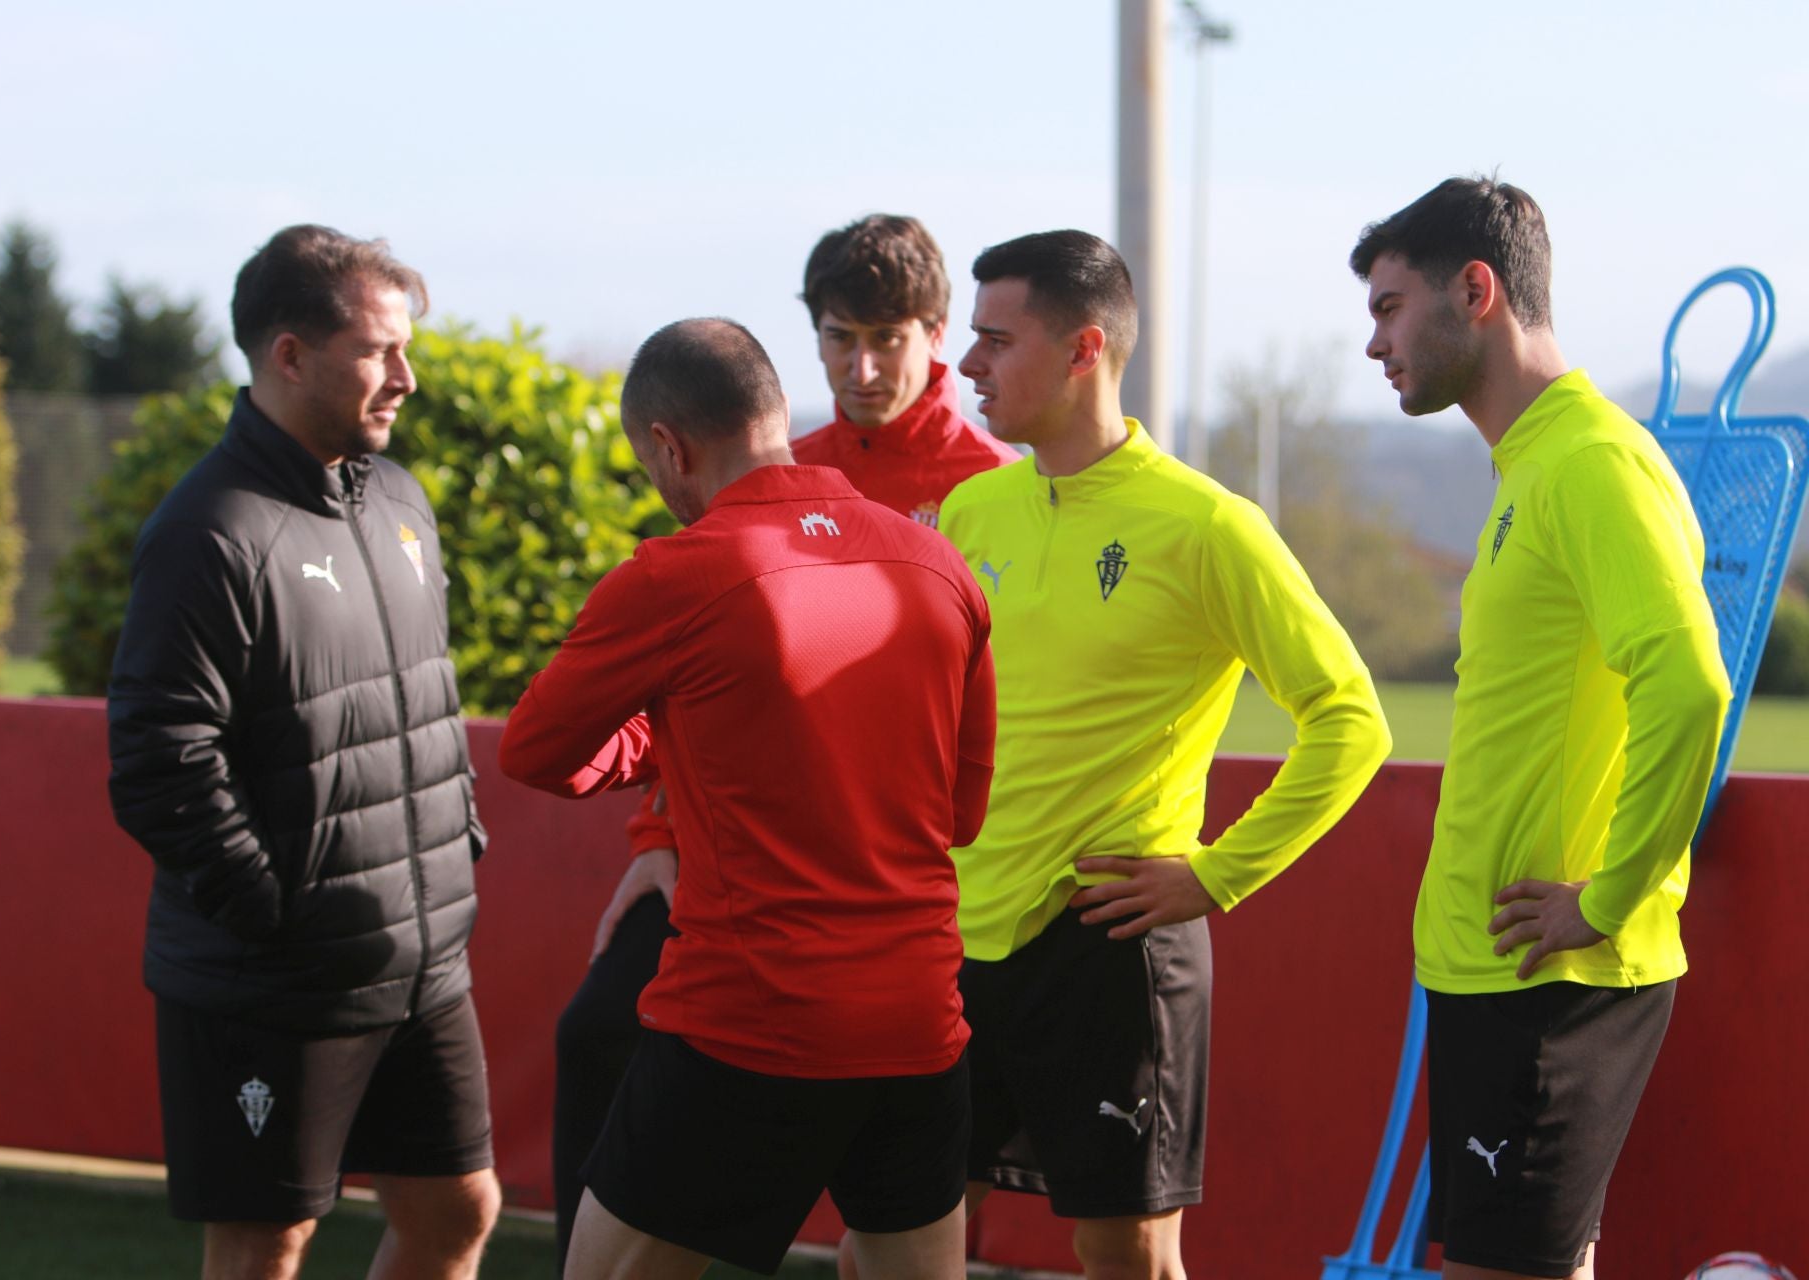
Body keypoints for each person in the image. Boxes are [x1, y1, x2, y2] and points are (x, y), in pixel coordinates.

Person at [549, 214, 1017, 1270]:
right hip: (760, 899)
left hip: (928, 900)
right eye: (838, 337)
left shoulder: (991, 490)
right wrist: (654, 835)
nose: (862, 365)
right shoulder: (774, 471)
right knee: (594, 1030)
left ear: (934, 334)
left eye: (888, 338)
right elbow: (691, 688)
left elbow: (966, 767)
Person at [937, 230, 1392, 1280]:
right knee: (898, 1235)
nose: (969, 366)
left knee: (1128, 1254)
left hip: (1107, 944)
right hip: (954, 940)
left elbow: (1349, 716)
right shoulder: (971, 510)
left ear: (1084, 348)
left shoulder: (1206, 525)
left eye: (996, 342)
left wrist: (1218, 872)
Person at [1351, 177, 1730, 1280]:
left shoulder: (1592, 460)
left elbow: (1689, 684)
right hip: (1496, 974)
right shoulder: (1528, 465)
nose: (1374, 343)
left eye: (1388, 306)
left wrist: (1606, 898)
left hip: (1554, 984)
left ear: (1476, 291)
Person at [107, 225, 500, 1280]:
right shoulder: (211, 530)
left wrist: (452, 838)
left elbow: (421, 703)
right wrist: (272, 908)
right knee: (264, 1242)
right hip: (274, 980)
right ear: (288, 353)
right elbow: (157, 755)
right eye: (378, 351)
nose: (406, 378)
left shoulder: (402, 502)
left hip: (422, 961)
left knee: (459, 1211)